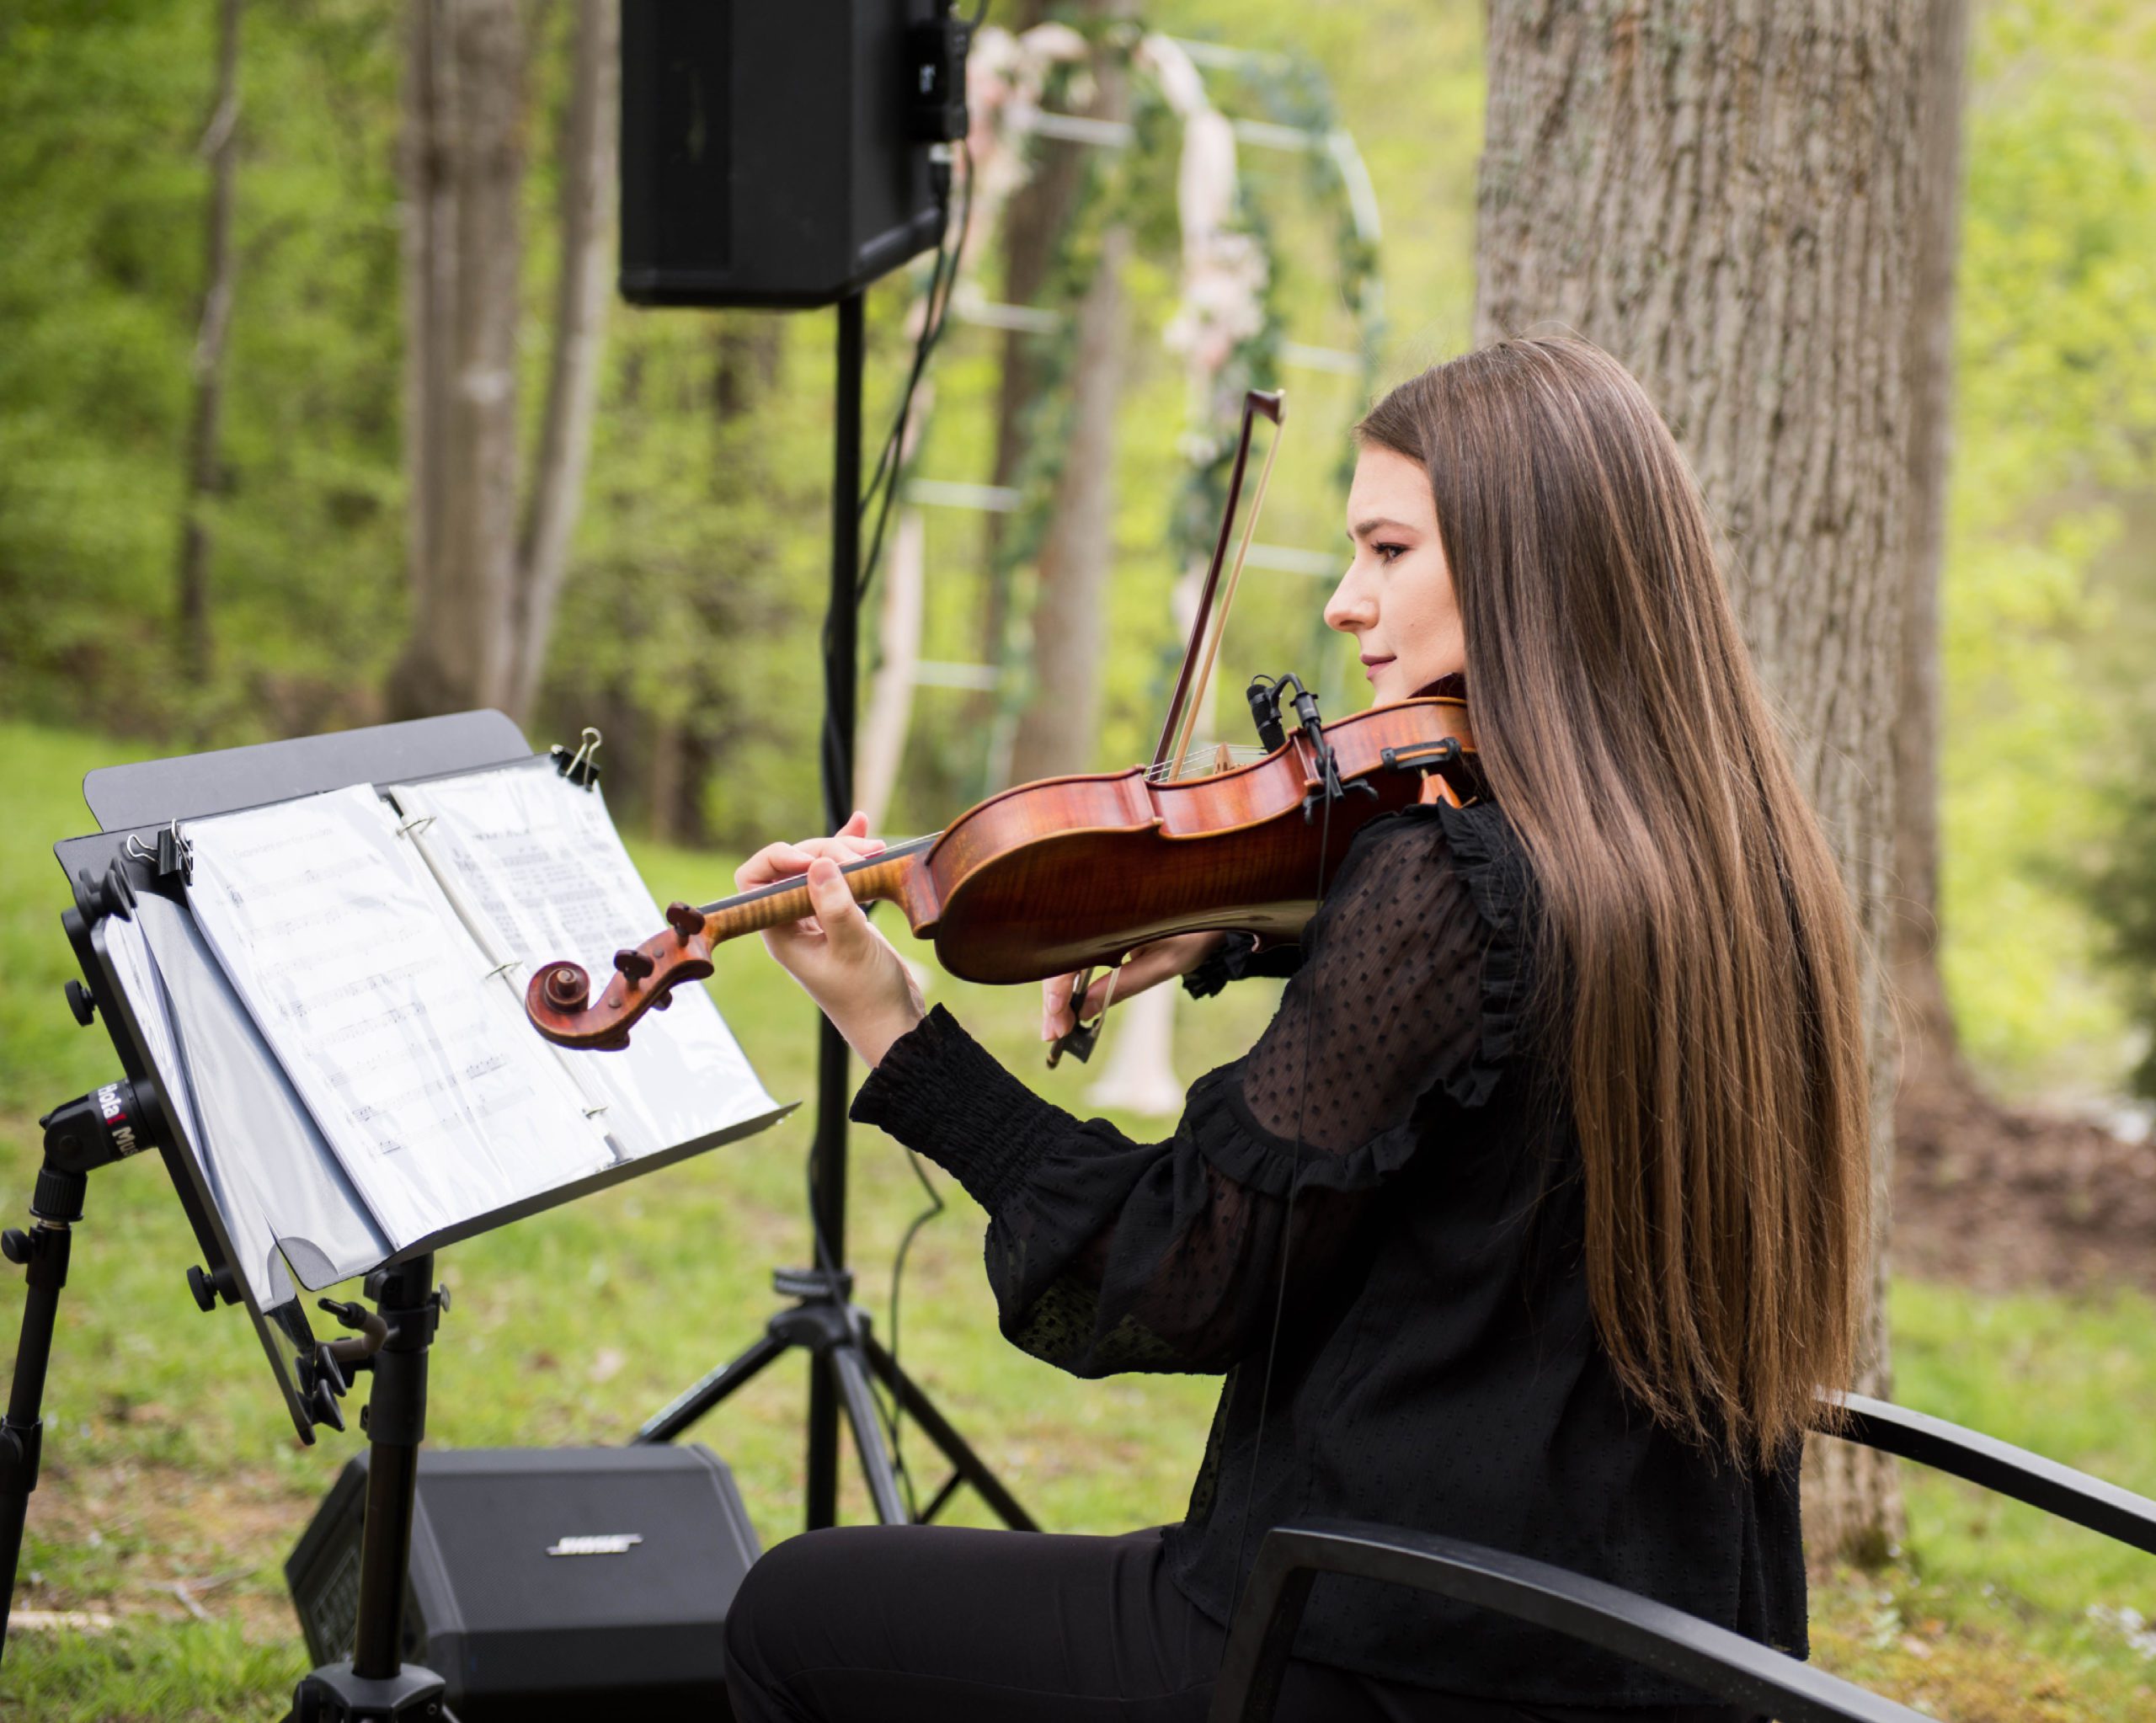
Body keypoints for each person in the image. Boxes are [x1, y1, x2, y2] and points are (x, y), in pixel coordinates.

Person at [719, 336, 1870, 1723]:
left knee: (795, 1612)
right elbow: (1501, 1045)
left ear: (1526, 564)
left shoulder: (1444, 888)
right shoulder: (1741, 872)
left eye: (1388, 550)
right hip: (1655, 1663)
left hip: (1378, 1650)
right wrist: (1241, 924)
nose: (1343, 600)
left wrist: (894, 1024)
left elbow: (1175, 1270)